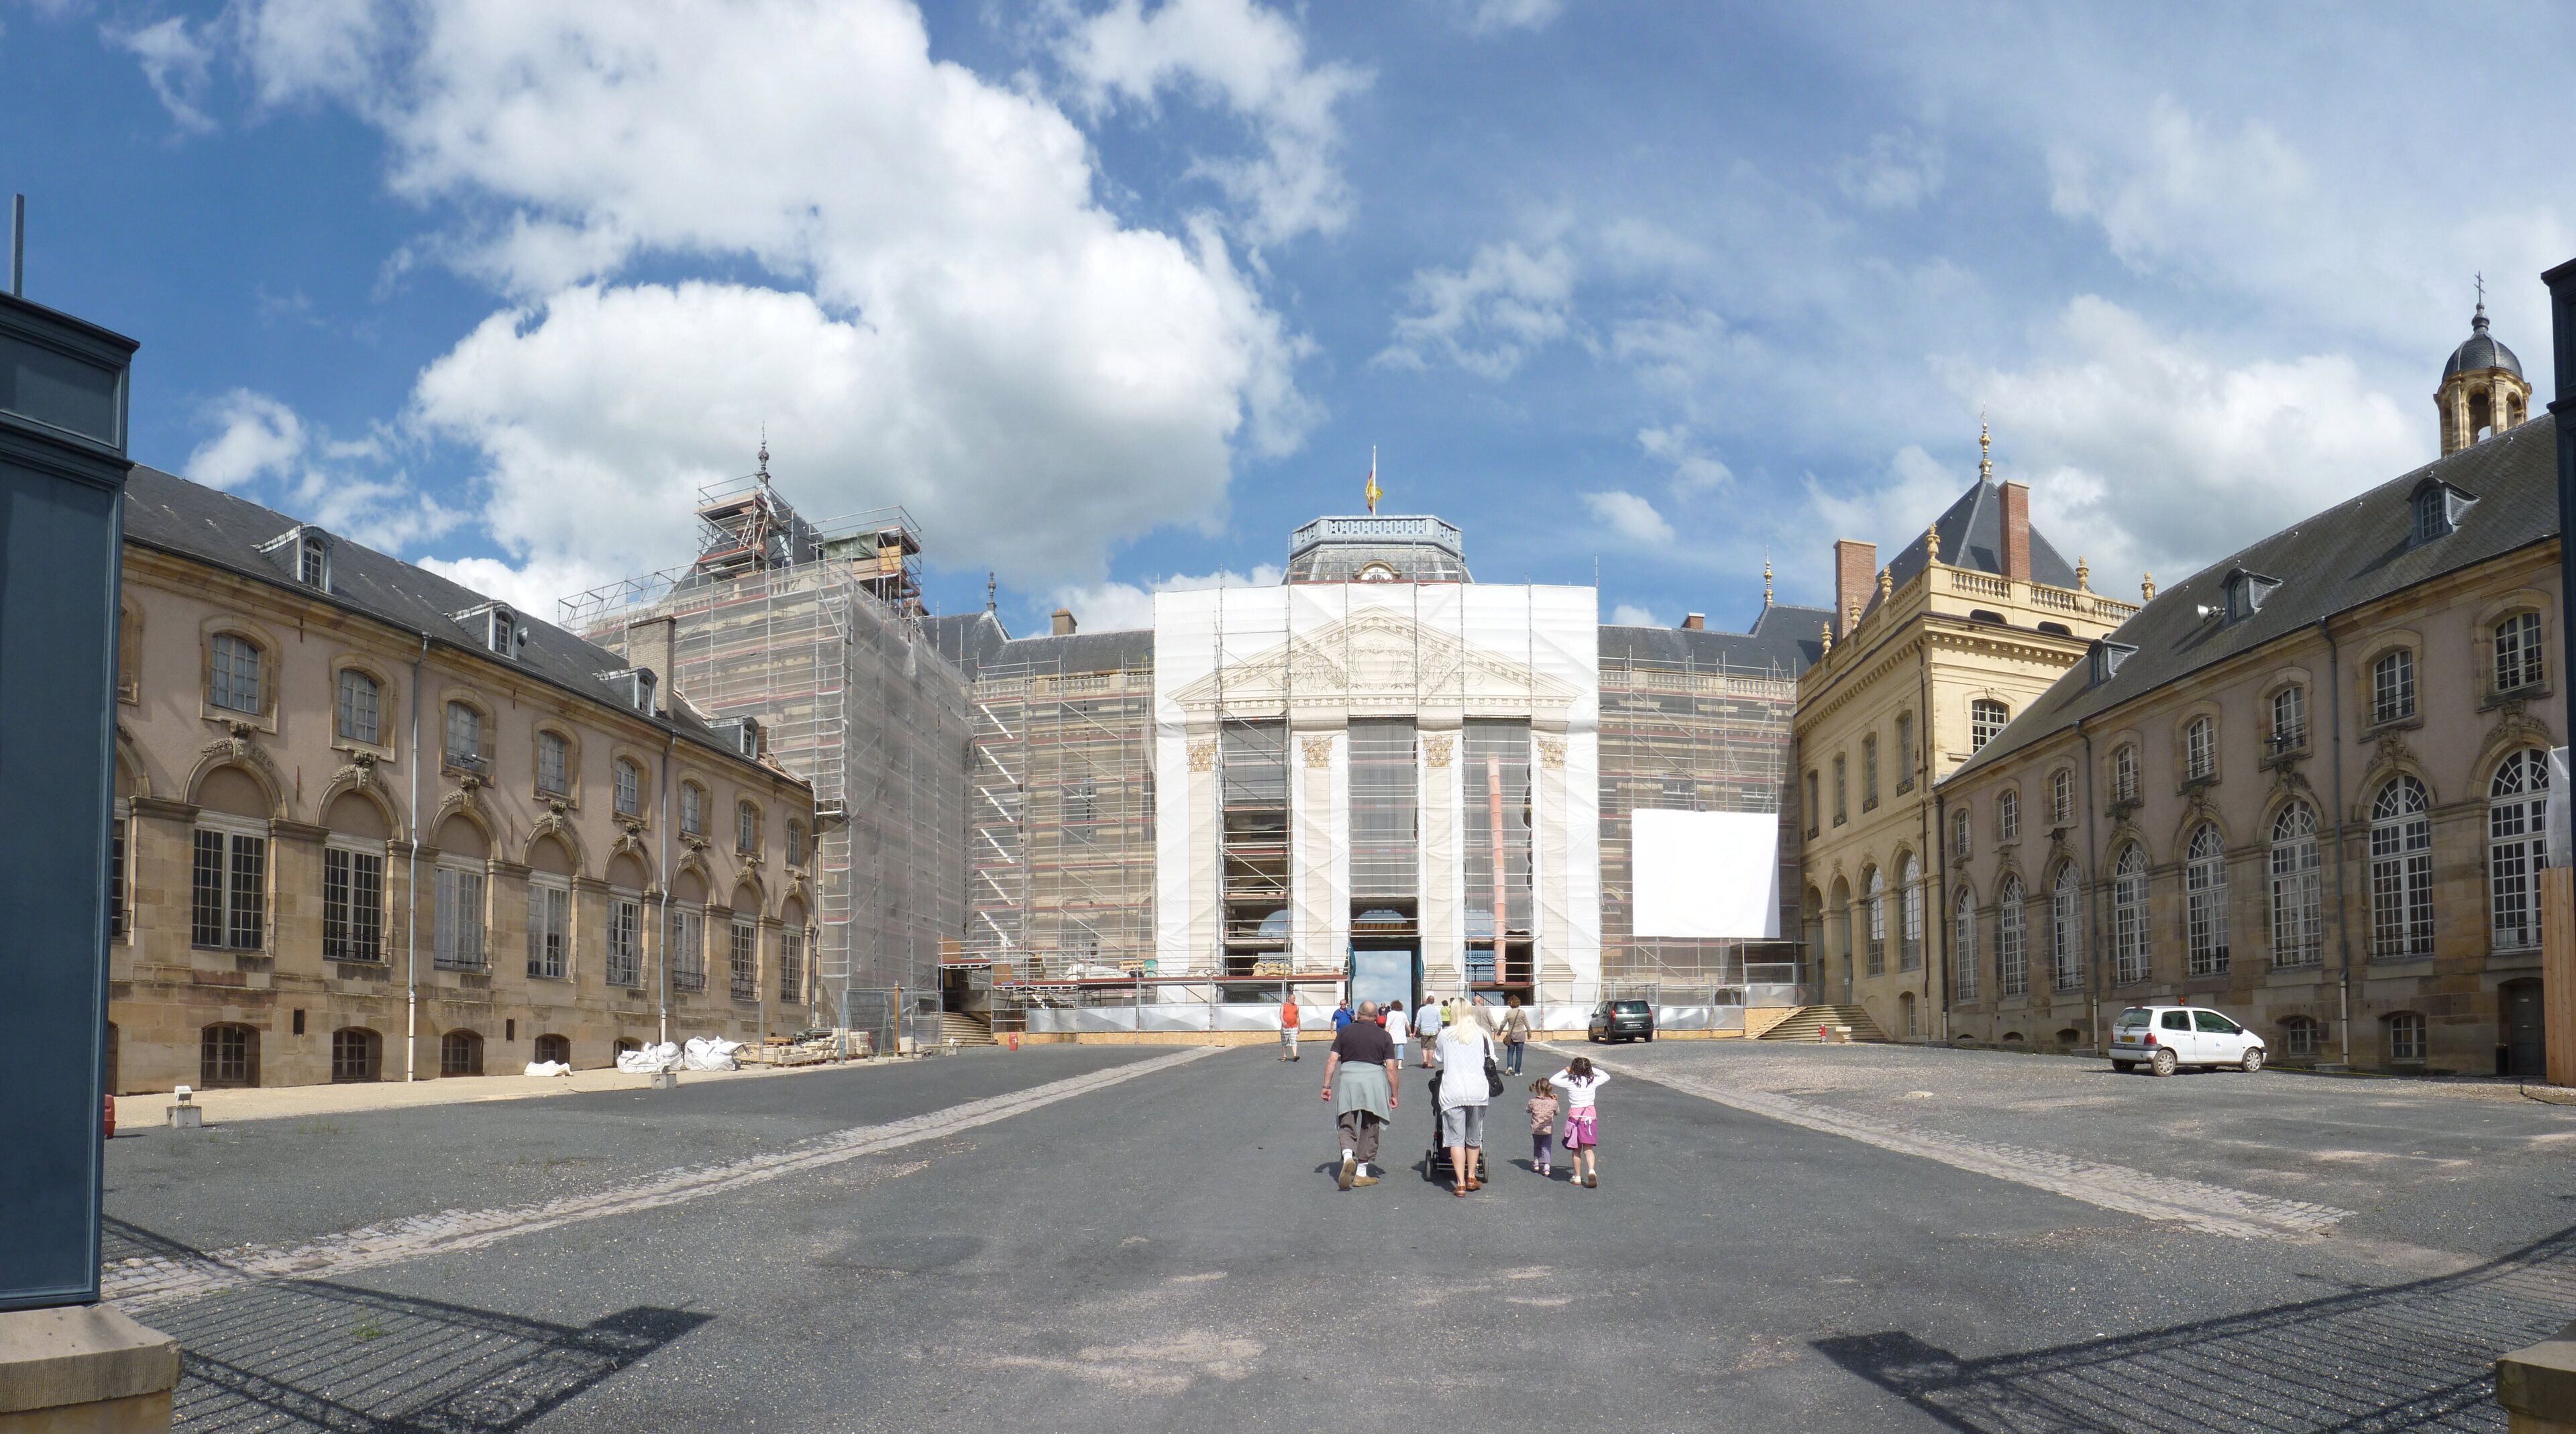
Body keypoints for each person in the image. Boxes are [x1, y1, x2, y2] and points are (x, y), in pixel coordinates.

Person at [1434, 1009, 1497, 1195]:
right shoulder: (1482, 1034)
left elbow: (1439, 1058)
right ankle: (1471, 1177)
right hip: (1477, 1090)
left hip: (1452, 1091)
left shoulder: (1445, 1034)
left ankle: (1460, 1183)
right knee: (1474, 1136)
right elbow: (1492, 1059)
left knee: (1455, 1139)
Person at [1548, 1057, 1609, 1189]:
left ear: (1574, 1068)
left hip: (1575, 1117)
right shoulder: (1593, 1081)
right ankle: (1592, 1170)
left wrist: (1566, 1071)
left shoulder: (1571, 1082)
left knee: (1576, 1150)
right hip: (1590, 1117)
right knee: (1588, 1149)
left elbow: (1552, 1080)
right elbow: (1606, 1076)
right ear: (1589, 1069)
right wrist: (1591, 1071)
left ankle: (1577, 1176)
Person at [1525, 1078, 1558, 1178]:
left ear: (1536, 1089)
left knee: (1537, 1145)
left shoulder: (1533, 1102)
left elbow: (1528, 1110)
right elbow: (1557, 1112)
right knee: (1546, 1147)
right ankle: (1547, 1166)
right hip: (1548, 1130)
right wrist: (1555, 1100)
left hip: (1536, 1129)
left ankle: (1536, 1163)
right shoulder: (1552, 1102)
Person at [1503, 996, 1531, 1075]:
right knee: (1519, 1054)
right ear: (1518, 1003)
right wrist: (1529, 1034)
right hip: (1521, 1034)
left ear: (1510, 1003)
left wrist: (1499, 1032)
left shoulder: (1508, 1013)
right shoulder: (1522, 1012)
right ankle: (1517, 1072)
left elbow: (1503, 1023)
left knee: (1510, 1052)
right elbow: (1527, 1024)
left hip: (1511, 1035)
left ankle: (1509, 1066)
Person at [1414, 997, 1444, 1068]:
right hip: (1434, 1031)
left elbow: (1417, 1021)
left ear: (1427, 1001)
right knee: (1432, 1047)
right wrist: (1439, 1031)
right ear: (1433, 1001)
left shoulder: (1422, 1010)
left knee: (1424, 1046)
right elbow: (1440, 1023)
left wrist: (1414, 1032)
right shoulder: (1436, 1010)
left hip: (1424, 1030)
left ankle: (1425, 1060)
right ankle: (1430, 1063)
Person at [1384, 1001, 1410, 1067]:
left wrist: (1385, 1034)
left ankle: (1388, 1063)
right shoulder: (1403, 1014)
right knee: (1400, 1049)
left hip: (1391, 1035)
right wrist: (1410, 1032)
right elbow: (1407, 1025)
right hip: (1401, 1035)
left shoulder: (1390, 1014)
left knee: (1390, 1050)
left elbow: (1388, 1025)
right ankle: (1400, 1065)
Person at [1278, 995, 1302, 1062]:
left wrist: (1299, 1027)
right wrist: (1283, 1022)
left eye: (1295, 998)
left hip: (1293, 1027)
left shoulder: (1296, 1007)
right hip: (1285, 1027)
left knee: (1294, 1041)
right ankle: (1284, 1056)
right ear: (1289, 998)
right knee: (1284, 1042)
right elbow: (1281, 1015)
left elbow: (1297, 1017)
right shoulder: (1284, 1005)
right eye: (1293, 998)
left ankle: (1295, 1055)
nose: (1294, 999)